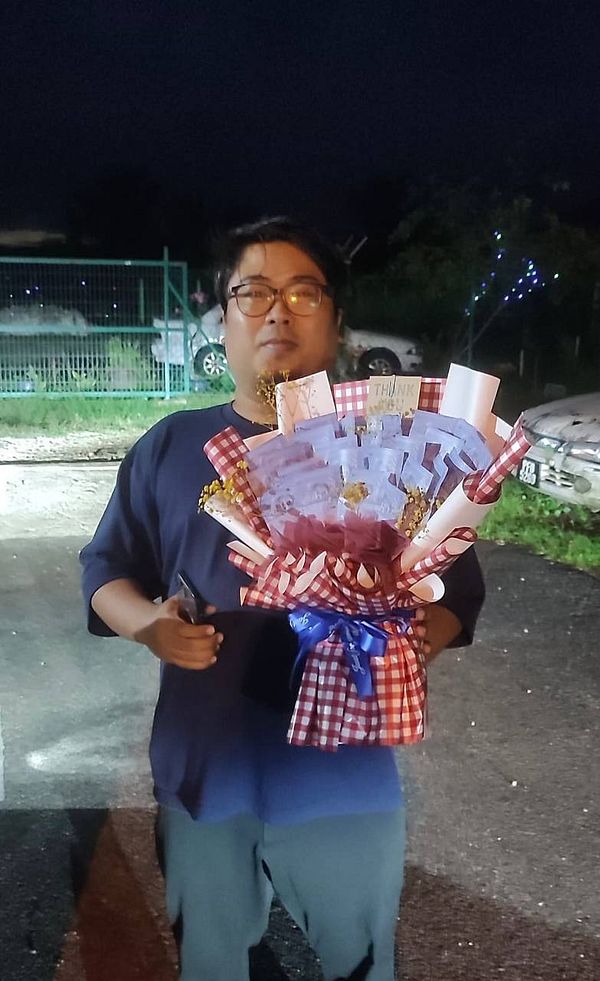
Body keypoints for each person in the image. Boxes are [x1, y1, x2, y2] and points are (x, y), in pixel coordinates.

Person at [80, 216, 485, 981]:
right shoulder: (172, 445)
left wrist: (412, 634)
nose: (277, 311)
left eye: (303, 292)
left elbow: (457, 587)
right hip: (205, 768)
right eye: (253, 292)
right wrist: (150, 627)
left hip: (344, 776)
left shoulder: (388, 446)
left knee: (362, 961)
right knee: (212, 960)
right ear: (225, 322)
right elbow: (105, 568)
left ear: (335, 323)